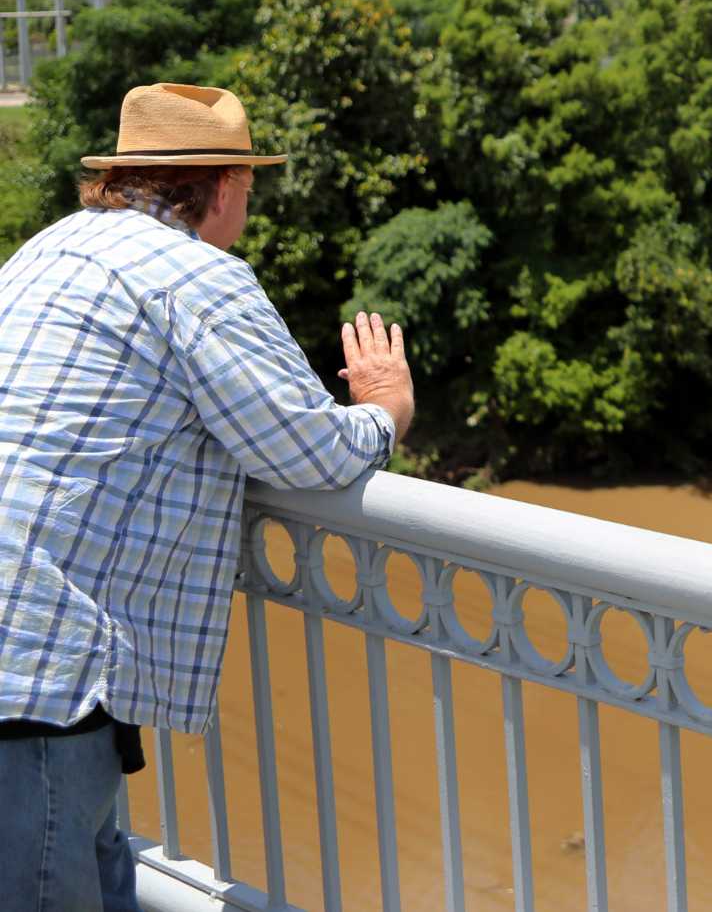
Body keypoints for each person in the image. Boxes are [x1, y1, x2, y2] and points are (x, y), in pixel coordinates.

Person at [0, 84, 415, 912]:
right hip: (37, 686)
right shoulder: (197, 276)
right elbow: (308, 451)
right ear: (222, 187)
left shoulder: (43, 250)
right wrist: (384, 408)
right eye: (249, 188)